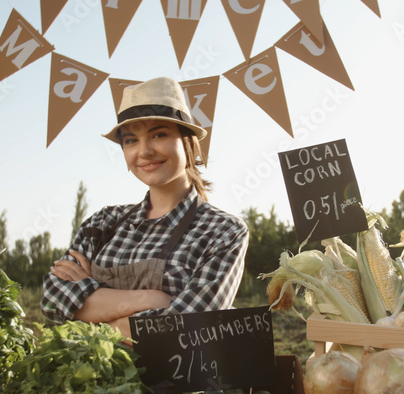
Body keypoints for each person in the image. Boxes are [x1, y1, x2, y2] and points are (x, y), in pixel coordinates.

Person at [41, 77, 250, 339]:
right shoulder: (104, 222)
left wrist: (88, 306)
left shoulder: (222, 231)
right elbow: (52, 300)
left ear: (188, 142)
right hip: (92, 378)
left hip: (177, 379)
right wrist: (151, 298)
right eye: (131, 140)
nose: (144, 151)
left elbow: (185, 328)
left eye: (159, 134)